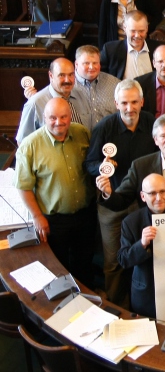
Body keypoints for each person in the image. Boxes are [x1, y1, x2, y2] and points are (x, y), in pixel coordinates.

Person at [85, 79, 157, 307]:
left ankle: (143, 304)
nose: (129, 108)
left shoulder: (151, 124)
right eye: (124, 103)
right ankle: (116, 306)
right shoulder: (104, 127)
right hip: (111, 204)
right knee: (113, 261)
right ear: (116, 103)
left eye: (134, 102)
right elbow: (89, 163)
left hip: (143, 205)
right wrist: (103, 167)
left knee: (145, 255)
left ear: (142, 102)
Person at [14, 98, 95, 286]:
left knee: (84, 263)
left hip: (85, 215)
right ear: (44, 117)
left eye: (63, 117)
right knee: (57, 266)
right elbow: (23, 186)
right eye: (52, 118)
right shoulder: (30, 145)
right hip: (54, 220)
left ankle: (89, 301)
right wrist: (36, 216)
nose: (59, 122)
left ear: (70, 116)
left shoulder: (82, 133)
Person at [117, 174, 165, 319]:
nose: (159, 198)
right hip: (148, 294)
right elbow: (123, 260)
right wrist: (142, 244)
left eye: (162, 191)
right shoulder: (131, 222)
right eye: (152, 193)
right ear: (143, 196)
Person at [16, 57, 81, 144]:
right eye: (62, 75)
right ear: (51, 76)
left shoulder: (80, 96)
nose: (67, 80)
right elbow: (23, 143)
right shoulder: (35, 103)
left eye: (71, 75)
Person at [71, 45, 121, 134]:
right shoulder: (68, 85)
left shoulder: (115, 84)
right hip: (78, 140)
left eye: (95, 63)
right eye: (86, 63)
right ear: (76, 64)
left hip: (110, 139)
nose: (91, 67)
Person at [100, 10, 161, 80]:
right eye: (133, 31)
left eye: (141, 31)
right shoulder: (111, 50)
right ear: (125, 28)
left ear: (147, 28)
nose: (137, 35)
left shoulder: (158, 48)